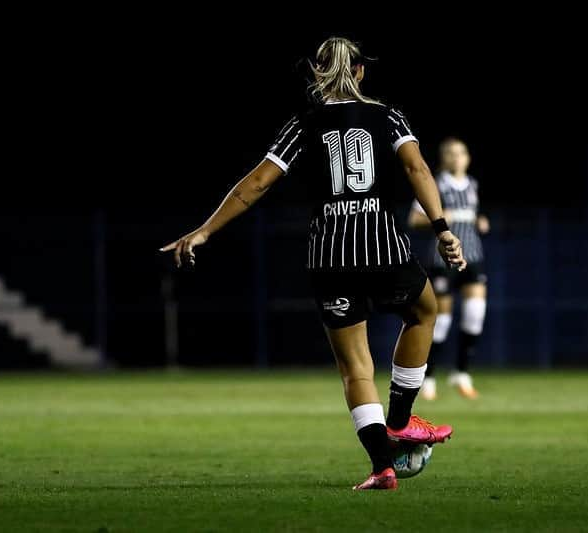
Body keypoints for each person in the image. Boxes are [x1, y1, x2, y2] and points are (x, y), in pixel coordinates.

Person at [161, 37, 466, 491]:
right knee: (423, 312)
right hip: (383, 248)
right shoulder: (385, 116)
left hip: (330, 256)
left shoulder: (304, 123)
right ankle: (400, 420)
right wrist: (442, 227)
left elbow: (256, 184)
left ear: (315, 72)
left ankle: (383, 467)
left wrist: (205, 229)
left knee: (356, 370)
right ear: (361, 71)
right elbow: (418, 169)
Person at [408, 138, 488, 400]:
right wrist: (441, 221)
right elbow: (414, 219)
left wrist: (480, 221)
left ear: (468, 158)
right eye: (451, 154)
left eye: (461, 153)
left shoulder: (473, 185)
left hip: (473, 255)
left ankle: (461, 372)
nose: (457, 158)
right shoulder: (436, 184)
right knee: (441, 320)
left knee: (475, 312)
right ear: (443, 158)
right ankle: (427, 377)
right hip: (444, 260)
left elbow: (474, 216)